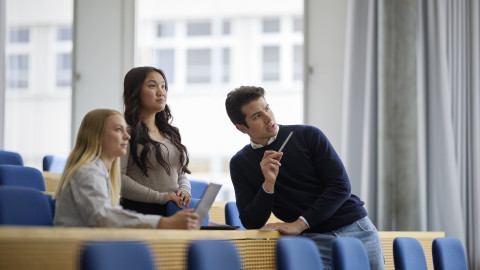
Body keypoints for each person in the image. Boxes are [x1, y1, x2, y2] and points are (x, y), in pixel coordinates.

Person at [225, 86, 384, 270]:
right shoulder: (240, 163)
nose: (268, 117)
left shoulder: (308, 135)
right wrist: (268, 184)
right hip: (312, 242)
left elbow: (340, 186)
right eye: (257, 116)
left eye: (267, 108)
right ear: (241, 128)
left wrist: (300, 224)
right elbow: (251, 221)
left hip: (355, 229)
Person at [53, 109, 198, 229]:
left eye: (125, 129)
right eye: (118, 129)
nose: (127, 136)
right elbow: (103, 218)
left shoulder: (99, 170)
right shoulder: (88, 172)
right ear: (96, 136)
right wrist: (164, 223)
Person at [120, 66, 192, 216]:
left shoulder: (172, 132)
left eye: (163, 86)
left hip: (173, 211)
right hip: (140, 213)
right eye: (152, 86)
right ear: (135, 91)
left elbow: (179, 173)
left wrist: (184, 190)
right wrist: (161, 197)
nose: (161, 92)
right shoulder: (125, 132)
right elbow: (118, 179)